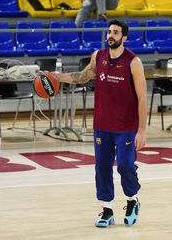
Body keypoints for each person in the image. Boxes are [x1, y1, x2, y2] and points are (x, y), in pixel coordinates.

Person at [55, 19, 147, 227]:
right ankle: (107, 210)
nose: (110, 36)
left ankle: (133, 200)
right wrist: (55, 77)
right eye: (109, 32)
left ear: (124, 37)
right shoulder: (99, 56)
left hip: (126, 127)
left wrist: (141, 130)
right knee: (102, 167)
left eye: (115, 33)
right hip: (102, 124)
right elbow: (81, 77)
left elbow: (142, 97)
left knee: (124, 166)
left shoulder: (134, 62)